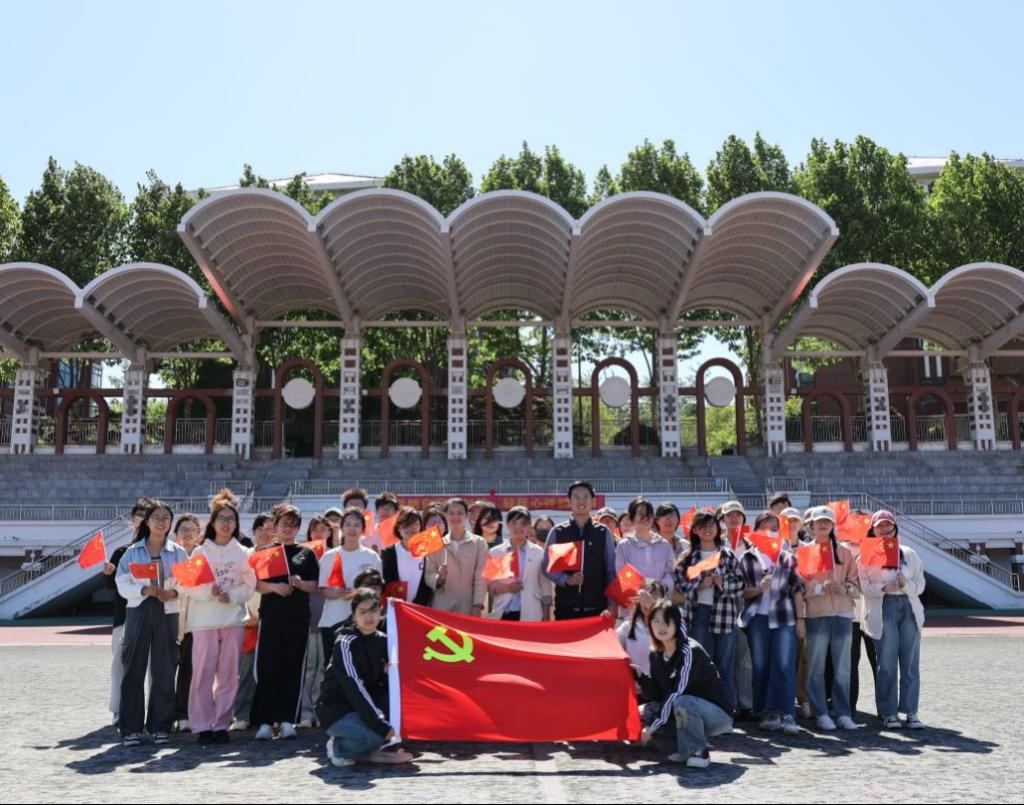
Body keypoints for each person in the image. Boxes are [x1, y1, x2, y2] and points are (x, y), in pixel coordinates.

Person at [181, 500, 256, 744]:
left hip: (233, 619)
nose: (226, 523)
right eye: (221, 518)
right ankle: (202, 725)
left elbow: (250, 585)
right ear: (212, 523)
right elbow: (187, 585)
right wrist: (208, 591)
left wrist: (232, 596)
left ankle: (222, 723)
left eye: (231, 519)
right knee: (202, 673)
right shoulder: (200, 552)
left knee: (228, 674)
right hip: (204, 620)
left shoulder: (243, 552)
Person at [115, 500, 189, 745]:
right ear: (146, 522)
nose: (161, 522)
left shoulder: (179, 552)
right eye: (156, 517)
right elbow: (121, 583)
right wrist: (144, 590)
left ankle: (160, 725)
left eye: (166, 518)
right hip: (139, 609)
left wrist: (174, 592)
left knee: (164, 668)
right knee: (133, 667)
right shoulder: (132, 552)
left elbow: (188, 582)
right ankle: (130, 728)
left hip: (168, 611)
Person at [315, 589, 413, 767]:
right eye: (362, 612)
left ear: (381, 611)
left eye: (374, 610)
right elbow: (354, 686)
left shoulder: (384, 641)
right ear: (354, 616)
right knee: (374, 735)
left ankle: (374, 751)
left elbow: (393, 682)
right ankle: (338, 747)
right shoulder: (345, 642)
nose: (369, 617)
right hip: (336, 709)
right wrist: (381, 725)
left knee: (383, 725)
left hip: (362, 708)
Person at [635, 601, 734, 768]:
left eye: (667, 621)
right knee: (641, 713)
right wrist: (639, 676)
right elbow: (659, 694)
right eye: (656, 621)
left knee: (682, 701)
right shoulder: (655, 654)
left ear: (677, 623)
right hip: (684, 710)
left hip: (717, 716)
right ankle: (685, 749)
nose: (661, 626)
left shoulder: (690, 651)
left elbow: (677, 693)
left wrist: (652, 727)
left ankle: (699, 751)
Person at [250, 505, 319, 741]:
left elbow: (314, 585)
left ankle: (288, 720)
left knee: (293, 667)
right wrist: (275, 587)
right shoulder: (265, 552)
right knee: (268, 668)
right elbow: (255, 584)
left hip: (297, 618)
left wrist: (299, 583)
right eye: (284, 524)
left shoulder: (306, 553)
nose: (288, 529)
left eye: (293, 524)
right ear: (276, 526)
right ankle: (265, 721)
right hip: (271, 617)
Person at [859, 510, 926, 730]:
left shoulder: (909, 553)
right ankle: (888, 713)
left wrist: (905, 584)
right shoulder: (866, 555)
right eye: (880, 526)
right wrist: (883, 588)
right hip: (883, 606)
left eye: (888, 525)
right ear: (873, 529)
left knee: (910, 662)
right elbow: (864, 586)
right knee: (886, 662)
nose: (885, 529)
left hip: (908, 607)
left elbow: (921, 584)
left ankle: (911, 711)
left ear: (895, 527)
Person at [738, 517, 805, 735]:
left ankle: (787, 712)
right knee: (761, 665)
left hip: (785, 617)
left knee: (784, 664)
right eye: (765, 528)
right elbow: (741, 591)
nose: (770, 532)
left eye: (775, 529)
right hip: (758, 617)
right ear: (756, 531)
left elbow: (797, 590)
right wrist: (759, 588)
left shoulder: (787, 558)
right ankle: (767, 712)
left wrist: (801, 620)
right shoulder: (747, 558)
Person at [674, 510, 745, 712]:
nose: (707, 530)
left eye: (711, 525)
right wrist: (700, 584)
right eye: (702, 526)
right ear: (695, 530)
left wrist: (723, 583)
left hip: (724, 615)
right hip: (698, 614)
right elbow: (680, 587)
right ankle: (702, 710)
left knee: (724, 665)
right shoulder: (688, 558)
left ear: (718, 528)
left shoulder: (728, 555)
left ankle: (727, 710)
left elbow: (740, 584)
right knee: (701, 664)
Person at [799, 506, 862, 731]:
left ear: (833, 525)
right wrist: (819, 588)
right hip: (817, 614)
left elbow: (856, 584)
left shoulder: (844, 552)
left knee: (843, 667)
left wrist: (844, 588)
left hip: (842, 614)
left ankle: (843, 713)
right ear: (811, 526)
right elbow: (801, 586)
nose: (823, 525)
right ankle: (821, 712)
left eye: (827, 521)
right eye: (819, 522)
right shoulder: (805, 552)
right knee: (815, 666)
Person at [103, 497, 154, 726]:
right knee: (120, 664)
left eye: (147, 516)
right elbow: (111, 586)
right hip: (124, 618)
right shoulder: (122, 551)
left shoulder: (163, 551)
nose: (142, 520)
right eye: (138, 516)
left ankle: (155, 710)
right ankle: (119, 708)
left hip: (155, 616)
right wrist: (107, 574)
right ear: (132, 520)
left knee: (155, 667)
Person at [543, 481, 617, 621]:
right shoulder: (558, 532)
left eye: (585, 496)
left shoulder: (603, 532)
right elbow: (547, 566)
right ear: (569, 501)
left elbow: (611, 571)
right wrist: (566, 579)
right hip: (566, 609)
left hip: (597, 609)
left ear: (593, 501)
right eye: (576, 497)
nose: (581, 501)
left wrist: (611, 604)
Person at [319, 508, 382, 659]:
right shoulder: (329, 556)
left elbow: (377, 590)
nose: (352, 529)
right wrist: (338, 593)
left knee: (360, 666)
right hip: (332, 620)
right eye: (347, 524)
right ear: (341, 528)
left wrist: (358, 594)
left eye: (357, 525)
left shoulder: (372, 557)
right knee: (332, 666)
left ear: (363, 529)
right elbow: (322, 589)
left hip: (363, 624)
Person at [230, 511, 274, 731]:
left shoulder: (279, 554)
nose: (265, 533)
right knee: (245, 670)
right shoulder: (245, 555)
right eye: (260, 529)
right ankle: (242, 714)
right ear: (254, 531)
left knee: (271, 670)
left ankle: (268, 715)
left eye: (270, 529)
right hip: (248, 620)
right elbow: (237, 585)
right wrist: (247, 613)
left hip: (273, 620)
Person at [718, 500, 754, 721]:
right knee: (725, 655)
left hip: (746, 602)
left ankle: (746, 703)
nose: (733, 519)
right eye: (729, 515)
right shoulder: (716, 544)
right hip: (722, 604)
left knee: (745, 656)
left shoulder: (752, 546)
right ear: (722, 519)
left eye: (738, 515)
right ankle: (726, 701)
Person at [486, 506, 553, 621]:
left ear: (530, 527)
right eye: (514, 523)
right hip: (503, 613)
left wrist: (546, 619)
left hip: (530, 614)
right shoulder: (495, 553)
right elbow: (490, 586)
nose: (518, 527)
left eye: (523, 524)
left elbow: (545, 588)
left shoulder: (538, 553)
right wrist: (508, 588)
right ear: (507, 525)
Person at [297, 515, 333, 728]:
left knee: (324, 667)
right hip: (307, 618)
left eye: (323, 529)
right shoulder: (302, 556)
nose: (319, 533)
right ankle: (305, 712)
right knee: (308, 667)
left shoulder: (335, 555)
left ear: (330, 532)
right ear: (309, 533)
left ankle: (321, 711)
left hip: (328, 618)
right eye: (315, 529)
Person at [425, 498, 489, 615]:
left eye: (460, 513)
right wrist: (439, 578)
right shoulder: (436, 544)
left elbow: (481, 576)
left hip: (469, 608)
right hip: (442, 609)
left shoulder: (479, 543)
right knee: (438, 629)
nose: (456, 517)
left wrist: (478, 605)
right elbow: (429, 574)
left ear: (466, 515)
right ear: (445, 515)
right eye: (451, 513)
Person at [172, 513, 202, 732]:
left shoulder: (204, 556)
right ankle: (164, 714)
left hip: (196, 621)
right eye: (184, 529)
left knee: (189, 671)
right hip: (171, 618)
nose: (188, 533)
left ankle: (184, 714)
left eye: (192, 530)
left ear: (199, 533)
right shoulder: (170, 554)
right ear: (176, 533)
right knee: (165, 670)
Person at [615, 497, 675, 592]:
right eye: (641, 514)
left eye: (649, 514)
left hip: (660, 598)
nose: (646, 518)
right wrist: (643, 590)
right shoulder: (624, 546)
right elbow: (621, 574)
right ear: (632, 518)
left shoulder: (664, 545)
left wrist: (660, 588)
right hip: (634, 598)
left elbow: (670, 572)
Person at [380, 507, 433, 605]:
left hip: (421, 608)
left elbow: (428, 584)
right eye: (406, 523)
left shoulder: (428, 552)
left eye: (415, 523)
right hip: (396, 608)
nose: (410, 528)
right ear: (398, 527)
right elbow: (386, 583)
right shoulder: (389, 553)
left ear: (420, 527)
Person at [616, 580, 668, 677]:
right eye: (646, 596)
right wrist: (605, 625)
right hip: (635, 682)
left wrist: (653, 607)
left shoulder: (669, 626)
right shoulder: (628, 626)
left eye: (654, 598)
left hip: (661, 682)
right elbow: (613, 646)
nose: (647, 601)